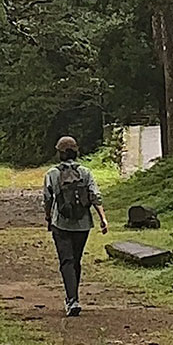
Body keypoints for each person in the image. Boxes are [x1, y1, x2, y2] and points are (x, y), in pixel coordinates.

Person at [43, 135, 108, 316]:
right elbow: (95, 195)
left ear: (60, 153)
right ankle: (74, 298)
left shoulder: (52, 174)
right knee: (76, 261)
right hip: (83, 224)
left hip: (60, 223)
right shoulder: (85, 173)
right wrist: (102, 218)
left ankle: (72, 299)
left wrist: (48, 217)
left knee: (66, 261)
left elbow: (47, 199)